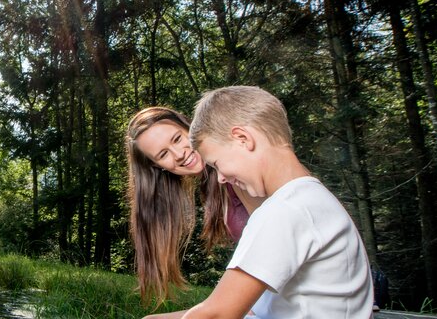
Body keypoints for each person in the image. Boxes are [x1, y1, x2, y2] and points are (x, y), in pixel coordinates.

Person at [145, 86, 374, 318]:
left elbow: (217, 315)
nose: (221, 177)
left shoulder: (284, 211)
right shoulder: (308, 197)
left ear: (243, 139)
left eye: (216, 163)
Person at [125, 107, 265, 306]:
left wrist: (224, 306)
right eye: (163, 154)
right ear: (157, 166)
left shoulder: (234, 169)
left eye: (177, 139)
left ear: (188, 126)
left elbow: (275, 241)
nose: (179, 154)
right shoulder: (213, 185)